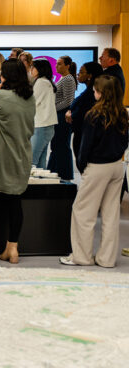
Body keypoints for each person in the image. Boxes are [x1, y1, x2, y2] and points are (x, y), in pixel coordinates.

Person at [60, 75, 128, 268]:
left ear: (101, 92)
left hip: (97, 167)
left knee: (83, 212)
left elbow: (85, 146)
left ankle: (82, 257)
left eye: (96, 89)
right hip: (117, 167)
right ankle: (106, 259)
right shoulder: (122, 113)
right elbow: (125, 142)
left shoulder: (93, 114)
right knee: (110, 213)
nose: (93, 92)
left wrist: (83, 167)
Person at [0, 60, 35, 264]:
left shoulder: (1, 96)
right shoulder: (30, 97)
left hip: (1, 156)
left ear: (5, 75)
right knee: (14, 202)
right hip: (22, 155)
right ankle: (12, 248)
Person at [66, 61, 103, 162]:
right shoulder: (87, 92)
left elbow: (81, 113)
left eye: (81, 72)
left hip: (84, 135)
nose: (78, 75)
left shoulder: (92, 94)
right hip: (81, 134)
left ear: (90, 76)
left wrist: (71, 114)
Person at [47, 55, 76, 180]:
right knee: (57, 145)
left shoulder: (68, 79)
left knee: (61, 145)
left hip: (62, 116)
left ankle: (64, 174)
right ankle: (55, 171)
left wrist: (52, 109)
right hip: (59, 115)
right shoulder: (63, 79)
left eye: (59, 63)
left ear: (67, 66)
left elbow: (68, 101)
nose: (56, 66)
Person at [29, 59, 57, 169]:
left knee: (32, 162)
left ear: (40, 69)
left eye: (33, 67)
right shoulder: (47, 82)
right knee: (40, 163)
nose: (31, 70)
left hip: (41, 126)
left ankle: (33, 186)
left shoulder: (41, 82)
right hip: (45, 126)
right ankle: (41, 185)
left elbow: (33, 102)